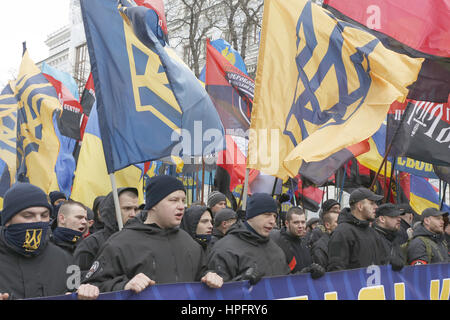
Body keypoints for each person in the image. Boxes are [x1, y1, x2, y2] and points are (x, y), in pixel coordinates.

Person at [83, 175, 223, 293]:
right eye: (173, 200)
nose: (181, 206)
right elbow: (93, 286)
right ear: (153, 204)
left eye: (183, 200)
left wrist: (209, 277)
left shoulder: (189, 243)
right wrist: (124, 286)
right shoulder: (120, 243)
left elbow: (201, 273)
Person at [0, 183, 98, 300]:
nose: (38, 221)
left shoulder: (65, 259)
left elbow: (74, 291)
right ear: (7, 220)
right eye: (28, 215)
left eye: (44, 215)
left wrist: (86, 292)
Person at [207, 193, 290, 282]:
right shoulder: (224, 249)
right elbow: (218, 292)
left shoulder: (276, 250)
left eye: (275, 216)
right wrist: (242, 282)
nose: (272, 221)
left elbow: (286, 284)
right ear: (251, 216)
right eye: (267, 214)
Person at [73, 187, 139, 271]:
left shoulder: (141, 239)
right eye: (127, 208)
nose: (133, 214)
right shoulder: (91, 244)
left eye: (135, 209)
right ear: (112, 210)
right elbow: (75, 278)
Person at [327, 187, 388, 271]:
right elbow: (336, 271)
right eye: (371, 203)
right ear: (360, 206)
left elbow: (382, 262)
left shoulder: (374, 233)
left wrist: (393, 266)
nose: (376, 207)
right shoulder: (342, 233)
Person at [270, 206, 316, 274]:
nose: (300, 226)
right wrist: (300, 275)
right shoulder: (279, 244)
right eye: (296, 222)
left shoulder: (304, 243)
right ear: (287, 224)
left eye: (303, 222)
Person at [372, 203, 405, 270]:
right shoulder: (372, 238)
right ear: (382, 219)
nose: (399, 219)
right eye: (394, 216)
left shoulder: (394, 237)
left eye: (399, 216)